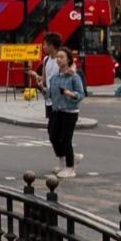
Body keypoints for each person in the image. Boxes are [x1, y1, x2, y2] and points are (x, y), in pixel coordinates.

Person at [49, 47, 86, 179]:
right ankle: (64, 162)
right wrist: (41, 87)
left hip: (70, 111)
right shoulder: (55, 77)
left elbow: (81, 94)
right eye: (57, 57)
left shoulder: (74, 77)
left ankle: (70, 168)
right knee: (53, 136)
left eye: (62, 57)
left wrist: (70, 93)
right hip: (56, 110)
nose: (58, 59)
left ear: (68, 59)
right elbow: (50, 94)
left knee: (66, 139)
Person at [30, 33, 61, 145]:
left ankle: (66, 154)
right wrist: (36, 76)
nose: (43, 47)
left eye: (45, 44)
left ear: (52, 45)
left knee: (55, 132)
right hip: (48, 101)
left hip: (59, 102)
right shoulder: (46, 60)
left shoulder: (61, 61)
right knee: (52, 133)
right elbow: (44, 79)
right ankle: (65, 153)